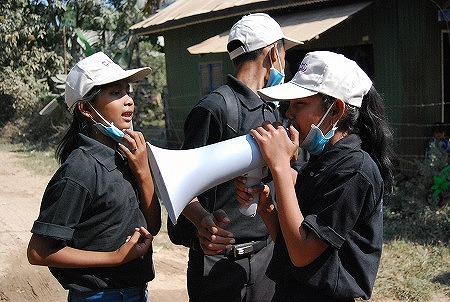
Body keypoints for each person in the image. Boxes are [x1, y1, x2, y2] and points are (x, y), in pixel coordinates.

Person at [237, 51, 395, 301]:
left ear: (336, 110)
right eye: (290, 105)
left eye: (300, 104)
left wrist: (279, 167)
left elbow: (302, 253)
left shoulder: (355, 170)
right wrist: (268, 209)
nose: (288, 114)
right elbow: (290, 245)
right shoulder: (324, 161)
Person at [172, 13, 301, 302]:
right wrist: (202, 220)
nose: (284, 62)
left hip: (267, 259)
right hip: (218, 263)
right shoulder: (215, 108)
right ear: (272, 54)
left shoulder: (274, 110)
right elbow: (178, 185)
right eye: (283, 53)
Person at [27, 52, 161, 302]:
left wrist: (143, 172)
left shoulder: (126, 157)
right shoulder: (79, 170)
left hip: (135, 291)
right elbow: (38, 252)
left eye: (127, 91)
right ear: (86, 109)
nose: (129, 101)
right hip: (99, 296)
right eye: (115, 93)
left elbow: (151, 228)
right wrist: (114, 258)